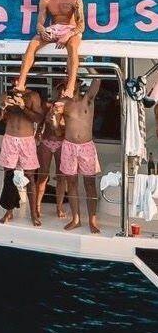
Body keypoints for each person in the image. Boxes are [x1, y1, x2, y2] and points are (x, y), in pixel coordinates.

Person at [15, 0, 84, 98]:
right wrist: (42, 30)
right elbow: (39, 23)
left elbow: (81, 26)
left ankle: (70, 87)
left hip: (71, 29)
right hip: (54, 28)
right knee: (32, 44)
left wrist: (67, 35)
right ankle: (21, 83)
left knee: (72, 46)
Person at [60, 78, 104, 233]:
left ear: (78, 84)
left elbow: (97, 80)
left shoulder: (87, 100)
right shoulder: (63, 103)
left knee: (90, 184)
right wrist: (53, 117)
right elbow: (54, 125)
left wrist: (84, 65)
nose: (70, 85)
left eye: (73, 82)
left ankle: (92, 219)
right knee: (71, 184)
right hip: (69, 147)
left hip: (86, 147)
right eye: (67, 83)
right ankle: (76, 219)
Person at [0, 85, 44, 225]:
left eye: (19, 78)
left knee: (30, 176)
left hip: (26, 139)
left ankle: (33, 213)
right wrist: (2, 106)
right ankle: (9, 210)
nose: (16, 82)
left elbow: (39, 118)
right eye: (15, 79)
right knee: (9, 176)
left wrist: (23, 106)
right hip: (10, 138)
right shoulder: (6, 94)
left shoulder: (33, 95)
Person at [37, 82, 68, 219]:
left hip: (61, 142)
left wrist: (55, 122)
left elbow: (61, 132)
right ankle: (37, 205)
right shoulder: (48, 105)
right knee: (43, 176)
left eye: (64, 90)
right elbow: (40, 122)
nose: (62, 92)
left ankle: (59, 207)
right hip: (46, 141)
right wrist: (37, 133)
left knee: (61, 177)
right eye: (60, 89)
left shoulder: (69, 109)